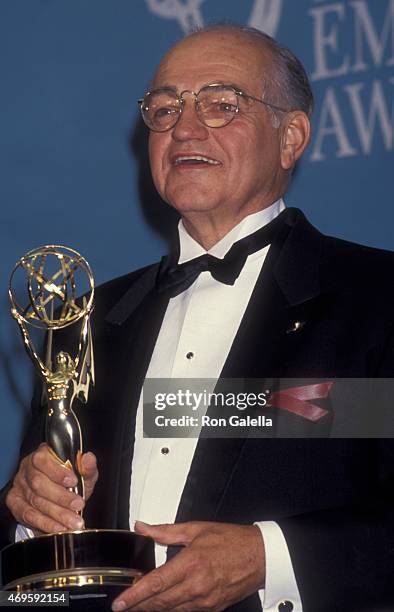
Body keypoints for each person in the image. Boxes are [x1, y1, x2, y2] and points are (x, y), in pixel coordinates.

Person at [1, 24, 394, 612]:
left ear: (291, 138)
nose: (184, 127)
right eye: (164, 108)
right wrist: (28, 515)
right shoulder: (85, 319)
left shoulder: (379, 297)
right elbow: (32, 548)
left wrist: (269, 558)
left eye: (221, 104)